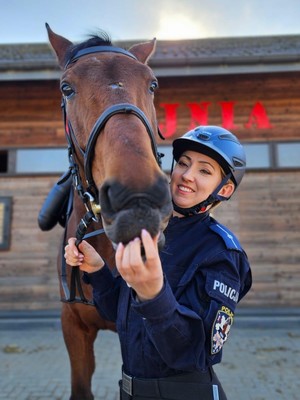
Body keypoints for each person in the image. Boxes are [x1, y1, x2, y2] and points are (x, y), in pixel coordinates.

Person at [65, 125, 252, 400]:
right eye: (184, 164)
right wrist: (98, 270)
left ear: (223, 189)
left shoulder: (222, 253)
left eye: (204, 171)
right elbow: (119, 315)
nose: (187, 176)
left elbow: (193, 352)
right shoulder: (151, 233)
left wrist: (153, 293)